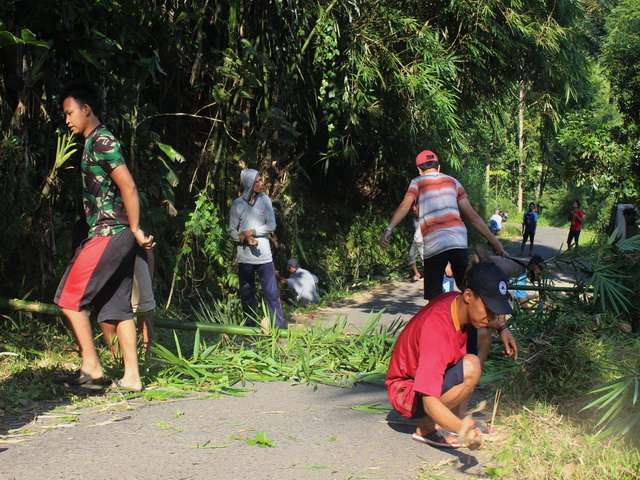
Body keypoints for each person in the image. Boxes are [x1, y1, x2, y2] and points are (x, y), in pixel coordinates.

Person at [54, 79, 154, 392]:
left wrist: (136, 229)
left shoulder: (101, 140)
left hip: (109, 232)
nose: (67, 119)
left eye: (70, 113)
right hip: (115, 233)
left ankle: (93, 367)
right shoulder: (92, 142)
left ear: (87, 109)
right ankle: (132, 377)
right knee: (117, 308)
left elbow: (128, 185)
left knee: (69, 298)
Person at [385, 262, 518, 449]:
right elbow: (429, 401)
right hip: (407, 394)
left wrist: (502, 327)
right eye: (488, 309)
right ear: (468, 295)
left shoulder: (456, 302)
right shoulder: (437, 332)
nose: (491, 316)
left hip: (420, 380)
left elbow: (485, 320)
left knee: (481, 333)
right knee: (471, 366)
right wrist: (464, 431)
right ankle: (427, 426)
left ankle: (457, 413)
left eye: (494, 312)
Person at [380, 150, 508, 301]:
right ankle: (474, 316)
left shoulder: (417, 182)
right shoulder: (453, 182)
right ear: (438, 167)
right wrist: (495, 242)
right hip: (458, 241)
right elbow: (472, 217)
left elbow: (405, 205)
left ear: (419, 170)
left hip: (435, 244)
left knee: (434, 296)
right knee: (465, 289)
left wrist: (389, 229)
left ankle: (441, 321)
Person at [72, 219, 157, 362]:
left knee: (142, 308)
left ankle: (146, 357)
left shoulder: (126, 217)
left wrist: (149, 277)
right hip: (102, 258)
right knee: (106, 310)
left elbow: (147, 250)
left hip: (130, 257)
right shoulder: (86, 223)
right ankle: (120, 359)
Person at [229, 169, 285, 329]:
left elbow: (271, 225)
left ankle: (278, 329)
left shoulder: (265, 200)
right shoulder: (237, 204)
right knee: (247, 295)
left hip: (265, 258)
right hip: (245, 259)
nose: (261, 184)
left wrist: (251, 232)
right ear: (249, 183)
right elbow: (232, 230)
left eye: (261, 180)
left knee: (272, 295)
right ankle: (250, 329)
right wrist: (244, 239)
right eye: (257, 181)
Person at [408, 205, 424, 282]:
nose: (414, 213)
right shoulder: (415, 220)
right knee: (411, 256)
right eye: (414, 211)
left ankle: (426, 276)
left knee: (424, 259)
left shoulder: (424, 219)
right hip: (415, 241)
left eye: (415, 211)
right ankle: (417, 273)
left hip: (422, 242)